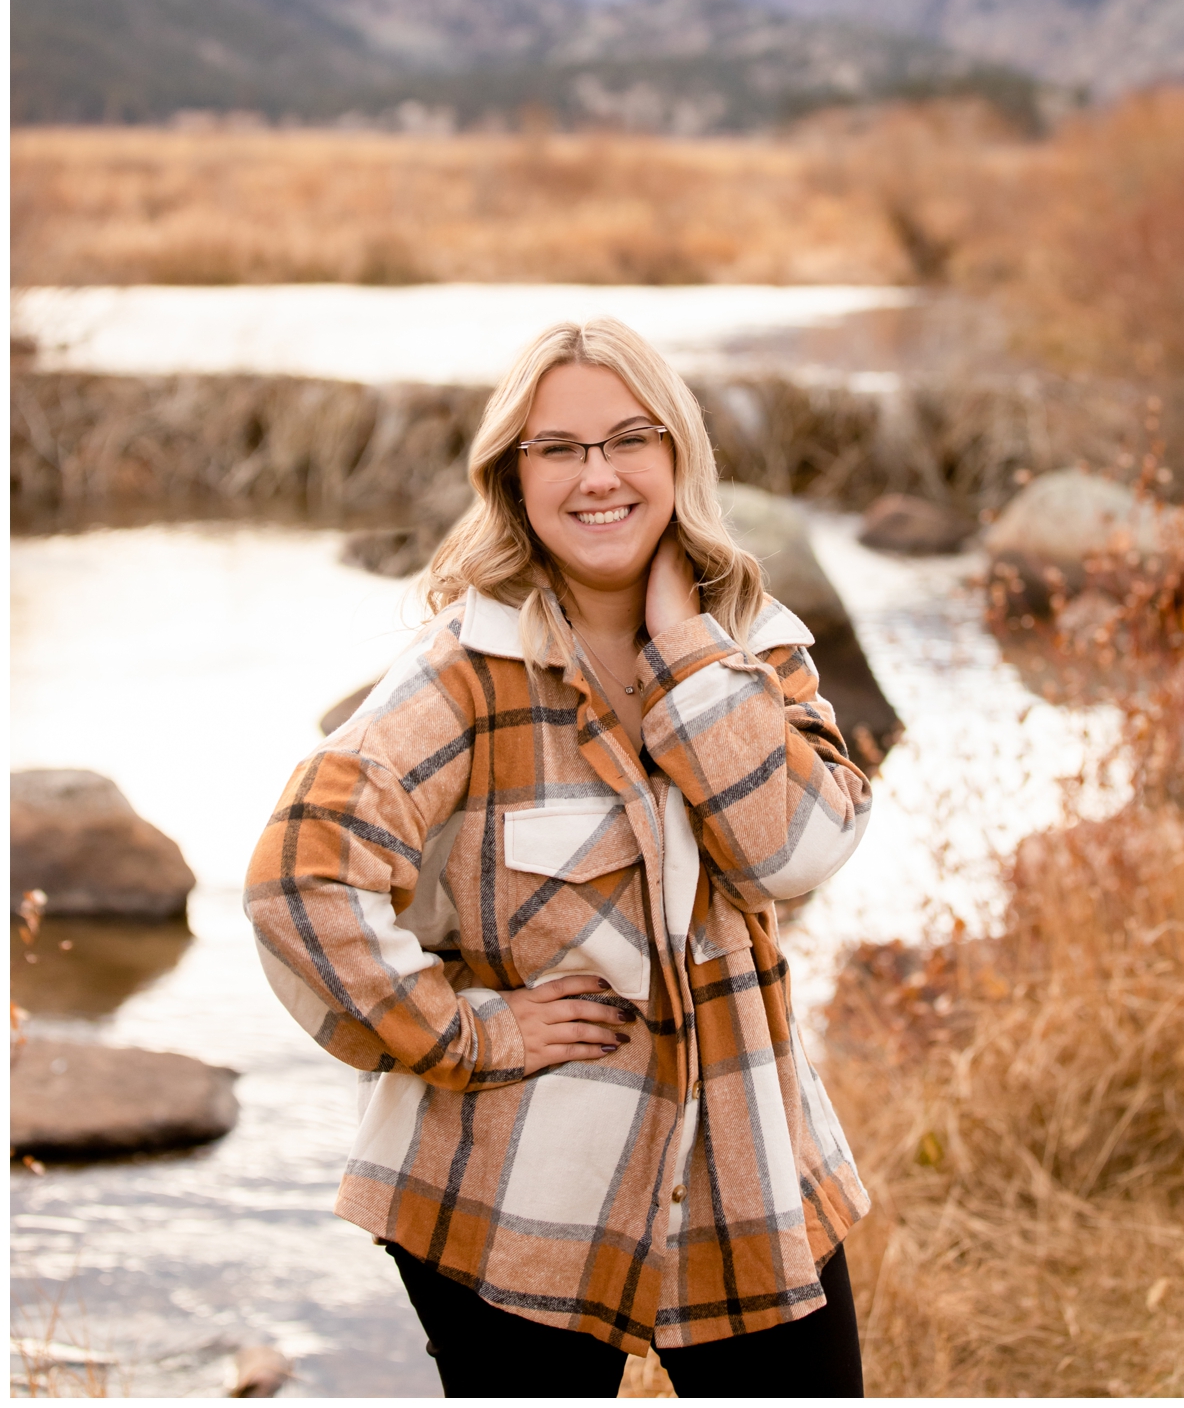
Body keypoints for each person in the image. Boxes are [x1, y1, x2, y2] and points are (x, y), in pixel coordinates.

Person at [246, 318, 872, 1396]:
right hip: (514, 1194)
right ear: (513, 476)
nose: (598, 477)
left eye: (630, 439)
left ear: (678, 454)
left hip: (742, 1169)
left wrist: (686, 654)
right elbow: (299, 878)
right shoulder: (465, 678)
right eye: (559, 448)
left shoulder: (753, 647)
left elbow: (795, 854)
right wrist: (462, 1030)